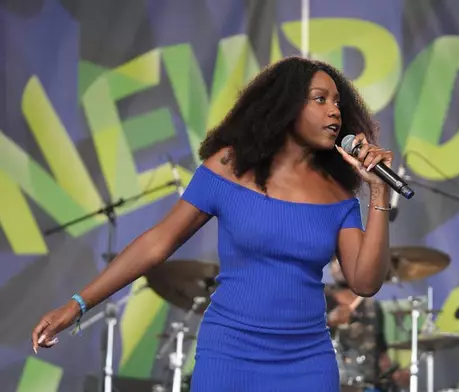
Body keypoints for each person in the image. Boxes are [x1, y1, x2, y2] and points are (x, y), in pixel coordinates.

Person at [31, 56, 395, 392]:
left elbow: (365, 281)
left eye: (337, 103)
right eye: (320, 99)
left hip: (307, 361)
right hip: (230, 353)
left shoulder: (338, 193)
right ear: (286, 105)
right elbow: (157, 243)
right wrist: (78, 304)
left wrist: (378, 192)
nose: (334, 111)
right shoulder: (229, 168)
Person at [326, 258, 410, 392]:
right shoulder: (321, 298)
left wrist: (395, 373)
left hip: (366, 383)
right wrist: (329, 320)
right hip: (329, 379)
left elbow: (382, 352)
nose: (340, 266)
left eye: (344, 261)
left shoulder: (373, 306)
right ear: (330, 269)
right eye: (336, 262)